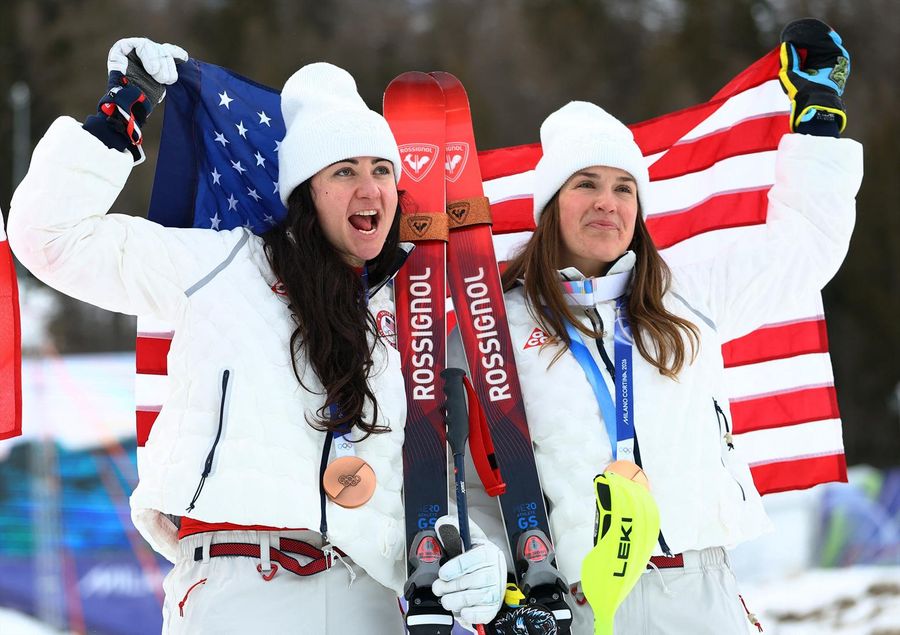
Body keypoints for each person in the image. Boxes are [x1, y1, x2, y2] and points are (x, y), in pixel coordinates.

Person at [8, 38, 505, 634]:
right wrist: (124, 110)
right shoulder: (225, 265)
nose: (369, 188)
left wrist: (475, 558)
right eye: (343, 171)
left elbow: (435, 479)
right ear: (303, 193)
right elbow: (49, 238)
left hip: (369, 600)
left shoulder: (410, 311)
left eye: (381, 170)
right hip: (241, 587)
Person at [470, 19, 861, 634]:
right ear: (550, 206)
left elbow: (806, 247)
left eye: (625, 187)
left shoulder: (686, 296)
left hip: (700, 590)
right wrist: (499, 582)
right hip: (579, 601)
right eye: (587, 184)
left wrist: (817, 124)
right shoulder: (500, 326)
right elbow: (473, 480)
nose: (609, 201)